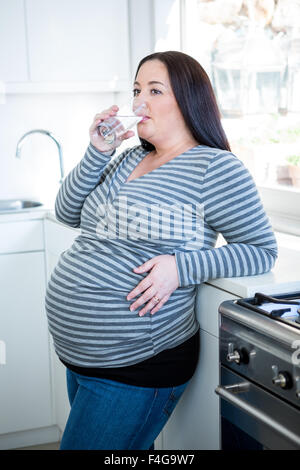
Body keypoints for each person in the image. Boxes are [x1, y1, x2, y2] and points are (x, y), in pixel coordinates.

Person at [45, 51, 278, 450]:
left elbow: (261, 250)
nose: (139, 101)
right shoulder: (126, 157)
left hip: (135, 363)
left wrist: (180, 267)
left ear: (189, 100)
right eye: (137, 90)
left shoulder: (215, 167)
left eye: (155, 90)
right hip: (82, 357)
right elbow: (66, 212)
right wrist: (97, 151)